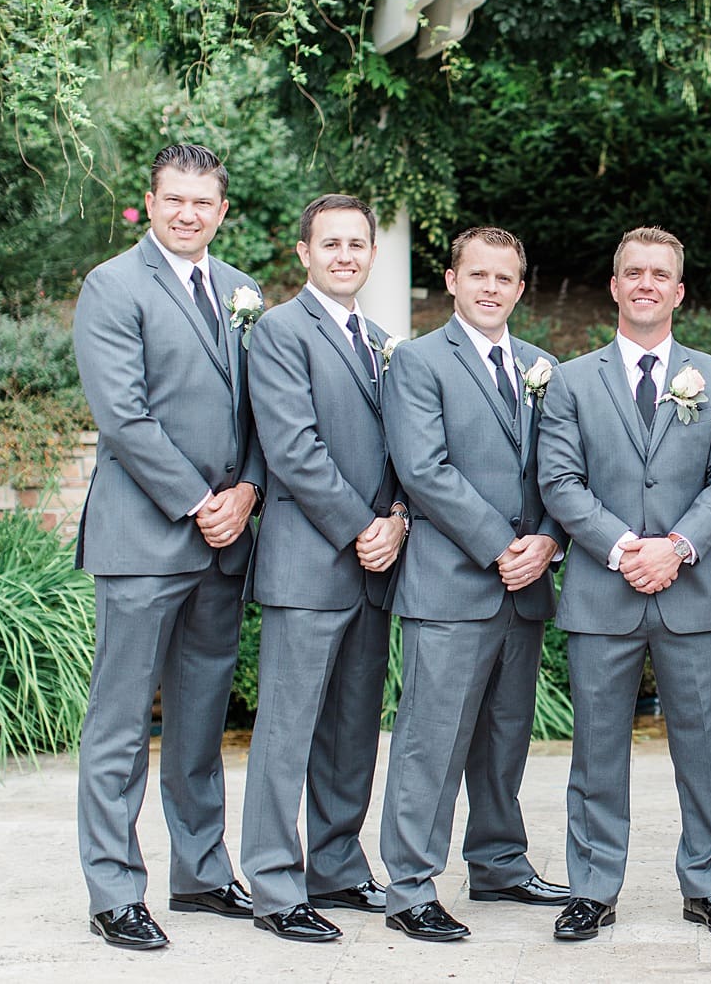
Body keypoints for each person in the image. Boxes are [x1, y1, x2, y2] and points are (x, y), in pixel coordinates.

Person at [537, 227, 711, 942]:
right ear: (614, 284)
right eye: (634, 272)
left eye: (660, 274)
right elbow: (559, 481)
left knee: (704, 748)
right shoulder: (570, 380)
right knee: (596, 751)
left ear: (679, 290)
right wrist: (626, 547)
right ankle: (592, 888)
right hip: (605, 592)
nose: (646, 284)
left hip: (692, 591)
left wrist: (679, 546)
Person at [73, 142, 264, 949]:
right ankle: (115, 890)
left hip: (224, 542)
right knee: (120, 722)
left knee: (199, 720)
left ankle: (202, 873)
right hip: (146, 539)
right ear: (148, 202)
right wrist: (199, 502)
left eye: (203, 201)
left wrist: (248, 490)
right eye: (173, 199)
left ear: (222, 210)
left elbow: (265, 409)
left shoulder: (239, 291)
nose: (188, 213)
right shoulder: (112, 286)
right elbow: (123, 414)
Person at [378, 226, 569, 943]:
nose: (491, 288)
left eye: (504, 277)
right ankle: (410, 884)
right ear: (452, 280)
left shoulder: (542, 365)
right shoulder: (419, 362)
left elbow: (562, 470)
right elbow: (423, 470)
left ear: (520, 287)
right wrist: (501, 546)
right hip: (452, 583)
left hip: (523, 587)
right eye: (477, 274)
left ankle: (497, 861)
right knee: (432, 739)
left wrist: (548, 540)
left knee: (503, 735)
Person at [239, 194, 406, 943]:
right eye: (329, 242)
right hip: (310, 564)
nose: (344, 253)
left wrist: (397, 519)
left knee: (351, 730)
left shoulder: (378, 339)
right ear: (303, 252)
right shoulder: (279, 331)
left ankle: (336, 865)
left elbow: (405, 446)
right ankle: (276, 884)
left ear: (371, 254)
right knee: (286, 730)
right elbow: (293, 448)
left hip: (374, 565)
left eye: (357, 242)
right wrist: (362, 525)